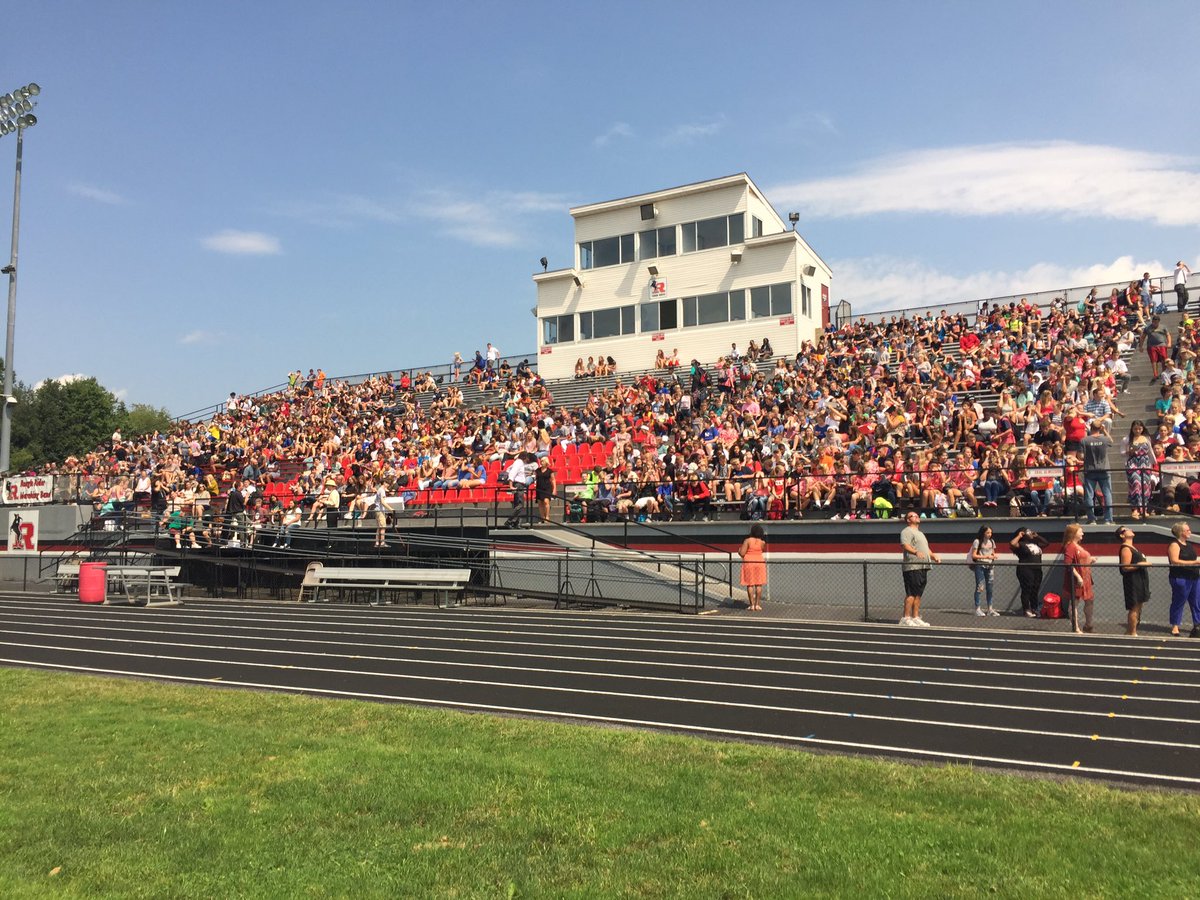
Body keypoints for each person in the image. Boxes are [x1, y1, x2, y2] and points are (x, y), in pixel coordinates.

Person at [900, 510, 939, 626]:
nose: (917, 517)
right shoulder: (906, 531)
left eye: (917, 515)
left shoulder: (920, 533)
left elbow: (926, 549)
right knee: (911, 593)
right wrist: (916, 552)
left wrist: (933, 556)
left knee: (918, 594)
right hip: (912, 566)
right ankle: (906, 618)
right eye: (913, 516)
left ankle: (915, 617)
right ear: (908, 520)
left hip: (923, 566)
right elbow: (905, 545)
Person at [1166, 520, 1200, 637]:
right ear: (1181, 532)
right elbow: (1175, 560)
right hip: (1181, 577)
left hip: (1194, 577)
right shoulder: (1174, 545)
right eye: (1187, 530)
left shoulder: (1189, 545)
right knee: (1179, 601)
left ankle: (1197, 624)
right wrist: (1194, 562)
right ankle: (1175, 626)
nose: (1190, 531)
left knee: (1196, 601)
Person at [1117, 525, 1151, 637]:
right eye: (1126, 529)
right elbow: (1125, 567)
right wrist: (1140, 565)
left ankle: (1131, 630)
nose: (1130, 529)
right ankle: (1132, 632)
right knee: (1134, 607)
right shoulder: (1126, 548)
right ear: (1122, 535)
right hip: (1132, 581)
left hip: (1140, 579)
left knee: (1139, 606)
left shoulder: (1133, 548)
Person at [1061, 523, 1095, 634]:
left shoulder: (1077, 545)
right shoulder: (1070, 546)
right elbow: (1068, 563)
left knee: (1089, 600)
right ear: (1074, 533)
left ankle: (1088, 624)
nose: (1083, 533)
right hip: (1077, 580)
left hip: (1086, 578)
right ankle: (1075, 627)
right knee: (1074, 603)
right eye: (1080, 531)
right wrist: (1078, 576)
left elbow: (1081, 559)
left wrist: (1090, 560)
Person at [1010, 526, 1049, 617]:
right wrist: (1019, 536)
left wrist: (1037, 536)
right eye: (1028, 531)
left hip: (1037, 569)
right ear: (1023, 534)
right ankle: (1026, 609)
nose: (1030, 532)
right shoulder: (1021, 544)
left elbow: (1046, 543)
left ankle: (1034, 608)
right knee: (1027, 589)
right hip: (1025, 569)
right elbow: (1012, 543)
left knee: (1035, 589)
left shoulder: (1035, 543)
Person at [1080, 420, 1114, 525]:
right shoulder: (1104, 439)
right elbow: (1111, 441)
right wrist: (1105, 431)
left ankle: (1092, 519)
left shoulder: (1084, 440)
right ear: (1100, 428)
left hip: (1090, 470)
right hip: (1104, 469)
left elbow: (1081, 456)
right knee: (1107, 494)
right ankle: (1108, 519)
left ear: (1091, 427)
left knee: (1089, 495)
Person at [1125, 420, 1156, 520]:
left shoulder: (1146, 438)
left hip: (1145, 463)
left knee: (1145, 486)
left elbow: (1150, 451)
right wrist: (1129, 450)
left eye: (1139, 428)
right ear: (1132, 429)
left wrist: (1154, 463)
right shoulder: (1128, 438)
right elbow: (1122, 452)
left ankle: (1144, 509)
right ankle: (1135, 509)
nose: (1137, 431)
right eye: (1135, 429)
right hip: (1133, 463)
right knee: (1136, 484)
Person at [969, 525, 999, 617]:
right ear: (983, 533)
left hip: (990, 566)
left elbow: (993, 552)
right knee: (980, 587)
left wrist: (994, 555)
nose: (990, 534)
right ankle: (977, 608)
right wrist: (986, 556)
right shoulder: (977, 541)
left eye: (990, 532)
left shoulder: (992, 541)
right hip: (980, 565)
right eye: (987, 532)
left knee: (990, 588)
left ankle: (990, 609)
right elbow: (974, 555)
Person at [738, 523, 767, 611]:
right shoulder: (762, 542)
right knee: (759, 584)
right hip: (759, 562)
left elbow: (742, 553)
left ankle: (751, 605)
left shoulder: (747, 540)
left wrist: (739, 550)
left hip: (749, 562)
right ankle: (757, 604)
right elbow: (762, 550)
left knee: (750, 584)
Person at [503, 453, 533, 528]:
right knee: (520, 505)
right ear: (525, 457)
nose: (528, 459)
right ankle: (509, 521)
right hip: (519, 484)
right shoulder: (518, 463)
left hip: (520, 484)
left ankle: (515, 523)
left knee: (517, 504)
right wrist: (510, 485)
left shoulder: (519, 463)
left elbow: (509, 469)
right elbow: (512, 473)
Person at [534, 455, 556, 522]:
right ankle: (542, 517)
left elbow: (553, 480)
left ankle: (547, 516)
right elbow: (534, 478)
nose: (541, 462)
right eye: (541, 461)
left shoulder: (550, 471)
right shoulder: (537, 470)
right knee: (540, 503)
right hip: (539, 488)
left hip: (547, 488)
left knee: (546, 501)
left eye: (543, 461)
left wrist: (554, 489)